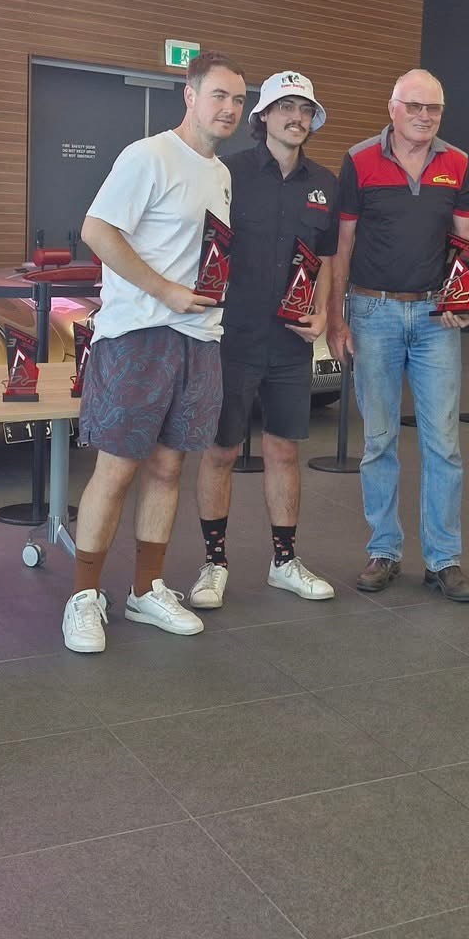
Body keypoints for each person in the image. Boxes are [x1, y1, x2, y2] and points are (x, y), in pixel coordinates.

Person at [63, 51, 245, 654]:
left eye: (237, 100)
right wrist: (165, 290)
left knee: (169, 468)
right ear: (190, 96)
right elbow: (97, 231)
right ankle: (84, 596)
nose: (229, 108)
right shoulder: (148, 155)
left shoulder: (221, 174)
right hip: (138, 337)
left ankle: (146, 589)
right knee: (117, 469)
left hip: (199, 340)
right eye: (218, 95)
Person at [326, 69, 469, 601]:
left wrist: (463, 294)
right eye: (414, 106)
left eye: (433, 108)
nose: (424, 116)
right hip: (373, 312)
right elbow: (343, 244)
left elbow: (466, 237)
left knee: (444, 443)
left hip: (437, 317)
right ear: (392, 108)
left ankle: (443, 558)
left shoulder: (457, 162)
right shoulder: (359, 160)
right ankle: (384, 550)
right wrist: (336, 317)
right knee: (379, 439)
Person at [190, 72, 340, 609]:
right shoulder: (226, 173)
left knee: (284, 450)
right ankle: (214, 564)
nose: (296, 117)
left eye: (305, 109)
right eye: (286, 107)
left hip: (290, 342)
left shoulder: (324, 183)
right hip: (231, 336)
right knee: (221, 450)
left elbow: (326, 259)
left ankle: (284, 562)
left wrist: (321, 311)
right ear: (264, 116)